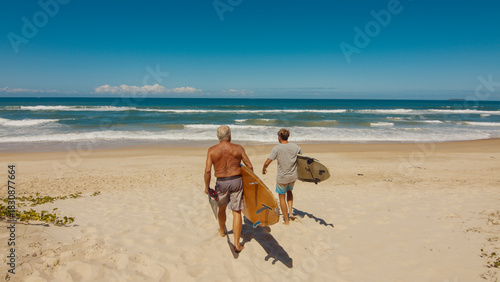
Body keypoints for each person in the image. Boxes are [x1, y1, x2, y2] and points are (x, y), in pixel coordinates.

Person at [204, 125, 253, 253]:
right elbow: (250, 166)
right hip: (237, 181)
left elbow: (208, 171)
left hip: (221, 183)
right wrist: (248, 184)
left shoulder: (212, 150)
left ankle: (222, 231)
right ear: (230, 135)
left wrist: (206, 187)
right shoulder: (238, 148)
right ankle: (237, 244)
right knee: (236, 211)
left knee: (222, 208)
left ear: (217, 137)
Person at [262, 128, 302, 225]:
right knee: (289, 191)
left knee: (281, 198)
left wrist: (264, 168)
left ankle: (287, 221)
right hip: (293, 177)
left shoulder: (277, 148)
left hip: (282, 178)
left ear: (279, 137)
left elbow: (268, 161)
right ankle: (291, 213)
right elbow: (301, 162)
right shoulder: (296, 147)